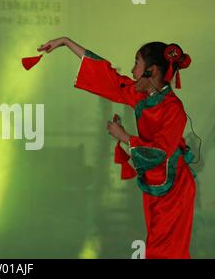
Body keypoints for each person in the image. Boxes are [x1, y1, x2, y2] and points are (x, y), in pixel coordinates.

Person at [38, 37, 195, 259]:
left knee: (164, 251)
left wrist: (125, 137)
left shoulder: (173, 109)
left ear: (150, 71)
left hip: (174, 186)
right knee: (159, 247)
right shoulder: (141, 96)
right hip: (156, 182)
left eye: (136, 64)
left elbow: (159, 152)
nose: (132, 71)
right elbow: (109, 77)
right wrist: (66, 42)